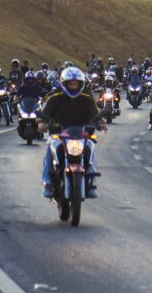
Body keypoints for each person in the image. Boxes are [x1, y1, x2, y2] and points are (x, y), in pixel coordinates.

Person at [38, 67, 103, 199]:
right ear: (64, 83)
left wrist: (100, 122)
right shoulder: (54, 98)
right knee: (50, 152)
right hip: (58, 134)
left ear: (81, 84)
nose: (73, 86)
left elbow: (95, 114)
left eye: (76, 84)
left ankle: (91, 182)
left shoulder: (87, 99)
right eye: (71, 84)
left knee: (91, 147)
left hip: (80, 134)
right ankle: (48, 184)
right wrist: (42, 123)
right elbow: (44, 114)